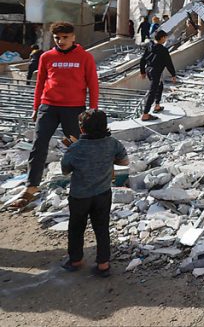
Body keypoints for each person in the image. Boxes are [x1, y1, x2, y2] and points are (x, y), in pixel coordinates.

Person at [9, 22, 99, 210]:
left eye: (65, 37)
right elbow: (40, 83)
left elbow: (93, 84)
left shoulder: (85, 57)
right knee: (39, 144)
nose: (61, 41)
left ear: (73, 37)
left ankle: (87, 182)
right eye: (57, 38)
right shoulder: (46, 57)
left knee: (76, 146)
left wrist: (93, 109)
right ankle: (31, 187)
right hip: (48, 107)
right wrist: (36, 107)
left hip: (74, 109)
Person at [60, 109, 128, 277]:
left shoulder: (75, 148)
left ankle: (75, 260)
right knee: (102, 228)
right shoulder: (112, 143)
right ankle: (103, 264)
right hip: (103, 193)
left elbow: (65, 170)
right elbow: (124, 161)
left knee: (76, 228)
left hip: (79, 196)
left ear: (82, 128)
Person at [139, 30, 176, 122]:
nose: (166, 39)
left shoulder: (150, 46)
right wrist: (173, 74)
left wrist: (142, 71)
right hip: (155, 72)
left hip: (149, 70)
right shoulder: (163, 50)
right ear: (162, 38)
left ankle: (157, 105)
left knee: (160, 86)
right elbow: (169, 63)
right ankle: (145, 114)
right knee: (153, 92)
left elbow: (142, 59)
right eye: (165, 38)